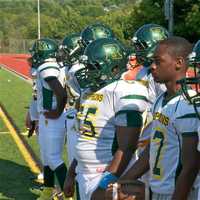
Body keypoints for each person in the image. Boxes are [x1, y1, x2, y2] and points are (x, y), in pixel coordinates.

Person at [109, 36, 199, 200]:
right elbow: (154, 148)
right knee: (110, 194)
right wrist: (124, 180)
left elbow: (190, 166)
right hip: (156, 188)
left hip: (177, 192)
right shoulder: (160, 99)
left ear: (178, 63)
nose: (152, 66)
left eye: (158, 61)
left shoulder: (188, 104)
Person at [63, 37, 149, 200]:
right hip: (84, 173)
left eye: (93, 67)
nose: (87, 71)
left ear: (114, 68)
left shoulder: (122, 91)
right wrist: (72, 171)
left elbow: (127, 147)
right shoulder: (89, 92)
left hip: (107, 174)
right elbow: (85, 138)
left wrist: (106, 184)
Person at [30, 38, 68, 200]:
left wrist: (57, 112)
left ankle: (68, 194)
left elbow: (61, 93)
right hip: (48, 118)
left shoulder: (47, 67)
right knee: (46, 157)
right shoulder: (51, 65)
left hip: (53, 119)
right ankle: (47, 189)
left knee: (53, 158)